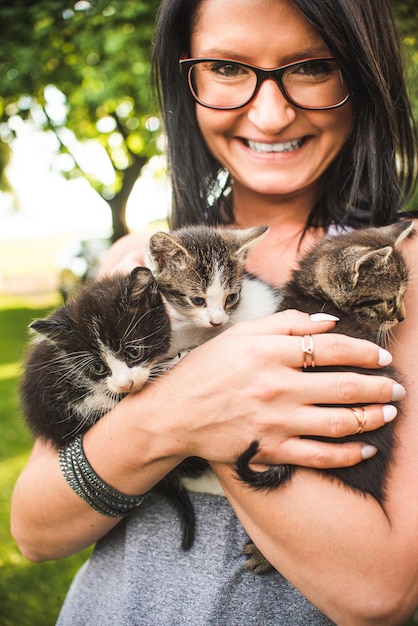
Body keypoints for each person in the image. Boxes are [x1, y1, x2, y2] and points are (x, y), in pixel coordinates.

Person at [11, 0, 418, 623]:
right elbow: (36, 528)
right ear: (188, 80)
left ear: (361, 74)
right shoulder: (137, 261)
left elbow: (378, 593)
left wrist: (205, 415)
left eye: (311, 67)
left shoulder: (395, 269)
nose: (271, 113)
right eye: (227, 68)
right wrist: (180, 411)